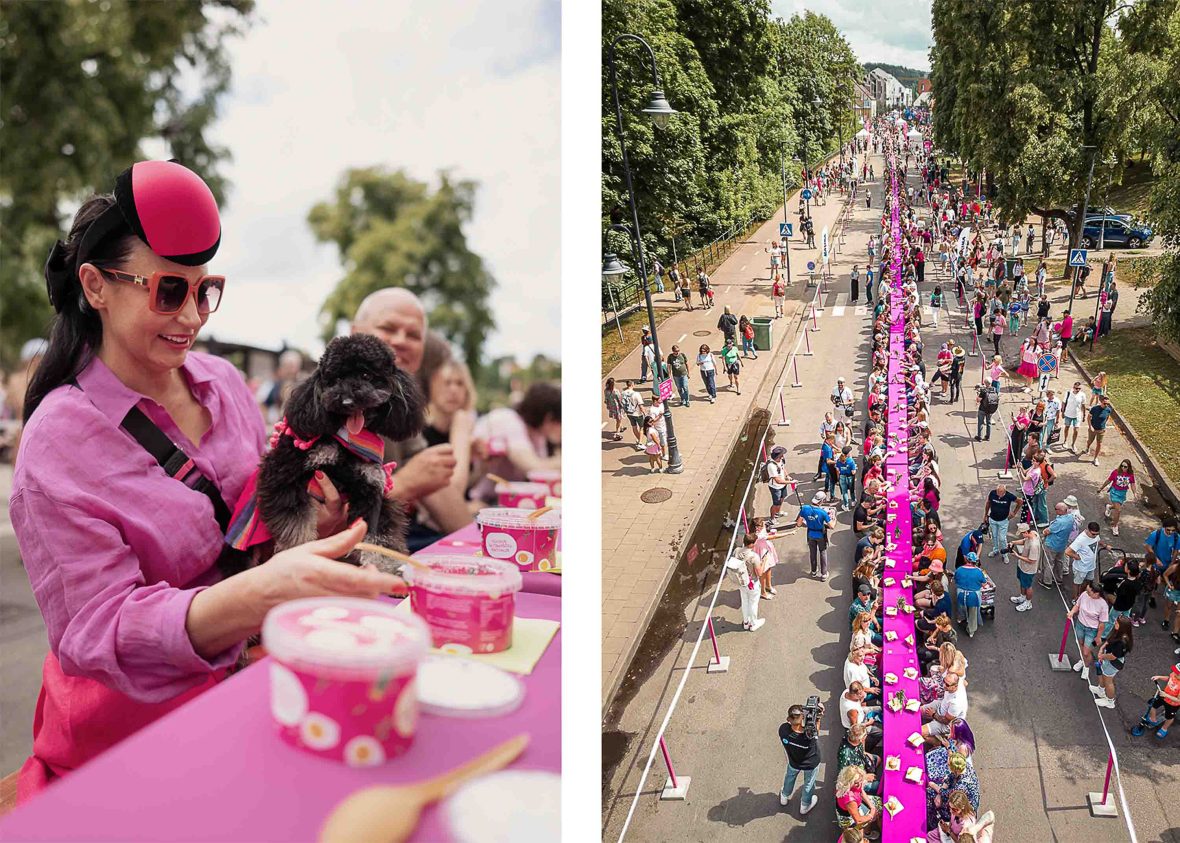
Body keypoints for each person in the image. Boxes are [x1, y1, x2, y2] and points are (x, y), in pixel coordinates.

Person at [10, 162, 405, 798]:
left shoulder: (222, 382)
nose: (191, 316)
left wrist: (314, 525)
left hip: (257, 681)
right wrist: (263, 590)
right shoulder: (57, 443)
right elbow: (95, 631)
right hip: (132, 739)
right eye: (169, 290)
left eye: (206, 290)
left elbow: (258, 520)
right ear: (95, 286)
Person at [470, 381, 561, 505]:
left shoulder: (537, 434)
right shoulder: (507, 420)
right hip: (478, 498)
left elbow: (543, 475)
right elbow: (534, 468)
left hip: (500, 499)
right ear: (549, 418)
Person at [417, 348, 477, 507]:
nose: (453, 390)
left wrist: (484, 466)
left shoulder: (460, 429)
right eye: (447, 382)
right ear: (431, 387)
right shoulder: (420, 435)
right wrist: (462, 434)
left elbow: (468, 486)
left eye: (460, 383)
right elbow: (452, 492)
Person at [779, 702, 823, 814]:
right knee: (809, 783)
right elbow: (816, 730)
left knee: (789, 777)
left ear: (788, 719)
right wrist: (818, 717)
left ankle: (784, 796)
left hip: (794, 761)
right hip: (810, 764)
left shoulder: (783, 729)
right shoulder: (809, 736)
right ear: (802, 718)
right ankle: (805, 805)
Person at [1069, 579, 1110, 682]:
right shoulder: (1084, 595)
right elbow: (1077, 605)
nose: (1087, 593)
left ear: (1096, 594)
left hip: (1092, 630)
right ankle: (1083, 661)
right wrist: (1072, 612)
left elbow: (1102, 623)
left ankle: (1086, 666)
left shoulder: (1103, 605)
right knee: (1081, 645)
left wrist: (1098, 637)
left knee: (1087, 651)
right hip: (1080, 625)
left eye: (1089, 592)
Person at [1090, 616, 1132, 709]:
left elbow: (1113, 657)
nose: (1114, 624)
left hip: (1112, 663)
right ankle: (1100, 690)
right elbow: (1109, 641)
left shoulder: (1122, 641)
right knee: (1102, 674)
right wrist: (1101, 649)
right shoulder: (1119, 633)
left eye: (1117, 623)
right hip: (1107, 657)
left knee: (1108, 681)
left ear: (1122, 626)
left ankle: (1110, 701)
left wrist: (1102, 656)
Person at [1131, 662, 1180, 739]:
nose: (1174, 673)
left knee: (1169, 717)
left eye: (1177, 673)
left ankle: (1164, 728)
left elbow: (1178, 700)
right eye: (1174, 671)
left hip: (1172, 704)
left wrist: (1166, 695)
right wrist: (1159, 677)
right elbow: (1169, 678)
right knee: (1153, 705)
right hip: (1163, 695)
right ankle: (1152, 719)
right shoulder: (1174, 674)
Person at [727, 534, 765, 631]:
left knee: (744, 601)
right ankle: (753, 623)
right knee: (753, 603)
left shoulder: (736, 550)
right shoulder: (753, 556)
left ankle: (746, 622)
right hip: (752, 583)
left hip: (741, 581)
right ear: (752, 544)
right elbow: (759, 573)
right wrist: (763, 562)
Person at [1065, 522, 1111, 600]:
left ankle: (1082, 595)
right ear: (1087, 530)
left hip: (1091, 566)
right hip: (1081, 567)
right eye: (1093, 534)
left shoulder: (1095, 536)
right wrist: (1078, 557)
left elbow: (1098, 541)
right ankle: (1075, 598)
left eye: (1097, 534)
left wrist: (1105, 546)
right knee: (1077, 583)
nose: (1095, 536)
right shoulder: (1080, 540)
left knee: (1089, 581)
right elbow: (1068, 551)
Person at [922, 672, 969, 743]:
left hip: (947, 723)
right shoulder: (959, 681)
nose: (944, 685)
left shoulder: (956, 703)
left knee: (921, 732)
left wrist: (933, 714)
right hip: (943, 705)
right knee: (919, 710)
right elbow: (965, 682)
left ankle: (938, 743)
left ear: (955, 686)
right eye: (944, 681)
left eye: (947, 685)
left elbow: (946, 721)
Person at [953, 552, 991, 638]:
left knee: (961, 607)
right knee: (973, 614)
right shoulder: (978, 572)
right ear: (975, 562)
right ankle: (971, 630)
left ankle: (960, 618)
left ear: (966, 560)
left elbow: (956, 580)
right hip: (973, 597)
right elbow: (984, 584)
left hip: (961, 595)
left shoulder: (959, 570)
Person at [835, 765, 881, 833]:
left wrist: (872, 807)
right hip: (849, 818)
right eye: (856, 783)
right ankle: (867, 832)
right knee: (873, 815)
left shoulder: (851, 784)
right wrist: (871, 815)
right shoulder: (849, 799)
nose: (860, 784)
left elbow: (861, 792)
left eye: (861, 781)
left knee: (879, 803)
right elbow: (858, 820)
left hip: (857, 804)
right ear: (849, 782)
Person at [1098, 459, 1135, 537]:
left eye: (1125, 466)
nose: (1123, 468)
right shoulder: (1116, 472)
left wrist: (1134, 492)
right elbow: (1108, 480)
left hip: (1122, 494)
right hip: (1114, 492)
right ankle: (1115, 526)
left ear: (1128, 467)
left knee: (1116, 507)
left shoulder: (1130, 475)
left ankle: (1109, 507)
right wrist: (1101, 488)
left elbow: (1132, 484)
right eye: (1122, 466)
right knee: (1118, 510)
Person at [798, 499, 833, 580]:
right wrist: (834, 519)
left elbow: (799, 523)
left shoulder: (804, 508)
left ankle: (813, 571)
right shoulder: (822, 512)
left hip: (810, 534)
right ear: (821, 501)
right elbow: (832, 526)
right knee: (822, 552)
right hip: (820, 535)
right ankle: (824, 574)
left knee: (812, 553)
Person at [983, 483, 1018, 564]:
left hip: (1003, 521)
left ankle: (1005, 554)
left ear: (1005, 492)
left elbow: (1020, 502)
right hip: (993, 519)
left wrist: (1014, 513)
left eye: (1001, 493)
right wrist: (985, 515)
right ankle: (995, 550)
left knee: (1002, 538)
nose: (999, 495)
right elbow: (988, 503)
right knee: (994, 536)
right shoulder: (992, 493)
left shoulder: (1009, 496)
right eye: (998, 492)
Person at [1010, 521, 1040, 612]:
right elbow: (1023, 541)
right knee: (1022, 582)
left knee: (1028, 586)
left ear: (1026, 532)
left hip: (1028, 569)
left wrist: (1017, 556)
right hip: (1022, 565)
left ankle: (1028, 603)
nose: (1021, 535)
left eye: (1022, 533)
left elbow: (1032, 560)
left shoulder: (1034, 545)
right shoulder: (1031, 534)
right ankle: (1022, 597)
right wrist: (1013, 542)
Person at [766, 446, 790, 527]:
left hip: (783, 485)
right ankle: (772, 518)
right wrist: (790, 482)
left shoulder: (781, 460)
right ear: (777, 456)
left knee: (782, 499)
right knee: (776, 503)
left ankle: (778, 512)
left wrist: (787, 476)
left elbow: (783, 468)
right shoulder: (771, 466)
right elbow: (778, 481)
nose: (783, 457)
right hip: (775, 487)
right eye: (781, 455)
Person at [619, 380, 645, 449]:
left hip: (629, 413)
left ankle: (639, 440)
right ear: (632, 385)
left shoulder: (623, 393)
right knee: (641, 427)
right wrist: (645, 413)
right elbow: (640, 405)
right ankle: (640, 443)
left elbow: (622, 402)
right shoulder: (636, 394)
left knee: (634, 427)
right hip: (637, 413)